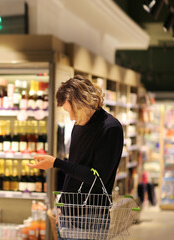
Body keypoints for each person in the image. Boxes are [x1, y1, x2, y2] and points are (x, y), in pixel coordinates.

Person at [27, 75, 124, 240]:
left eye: (71, 111)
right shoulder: (78, 126)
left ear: (83, 102)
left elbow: (97, 178)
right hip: (68, 213)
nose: (71, 118)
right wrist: (62, 206)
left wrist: (56, 163)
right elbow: (74, 169)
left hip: (92, 217)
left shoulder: (110, 129)